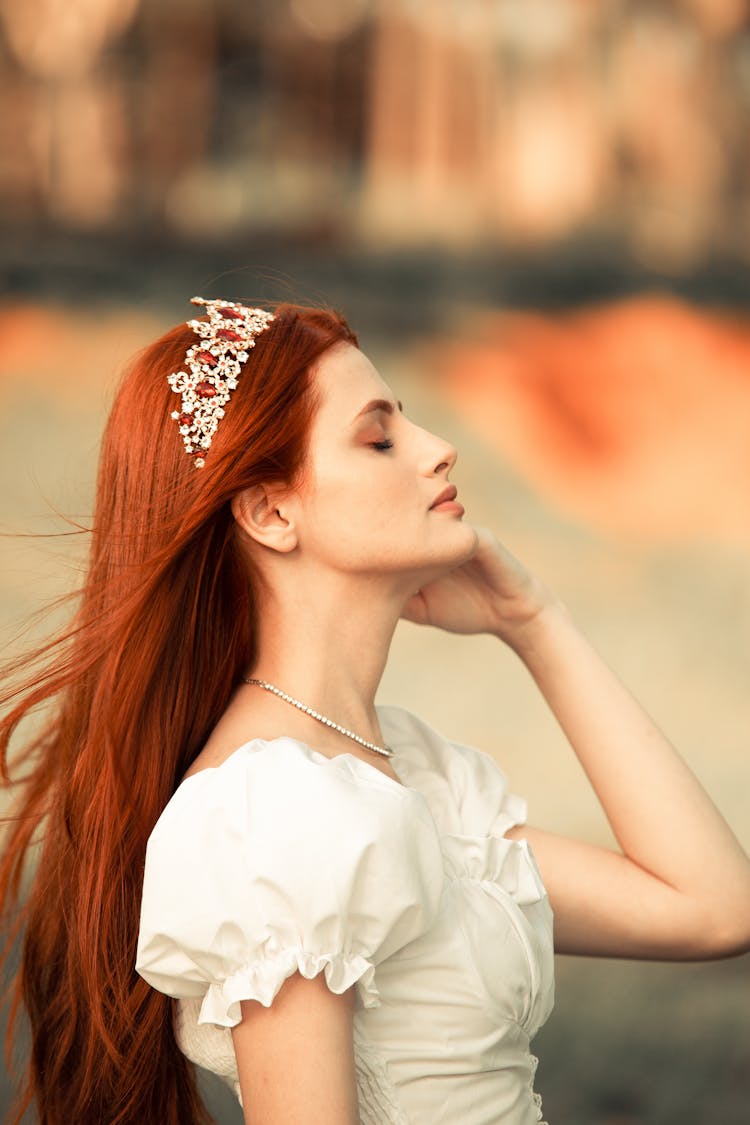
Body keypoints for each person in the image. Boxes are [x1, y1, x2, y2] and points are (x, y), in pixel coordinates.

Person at [1, 297, 749, 1125]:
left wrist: (531, 621)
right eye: (380, 437)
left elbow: (713, 907)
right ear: (270, 512)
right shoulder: (273, 812)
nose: (438, 449)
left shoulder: (412, 778)